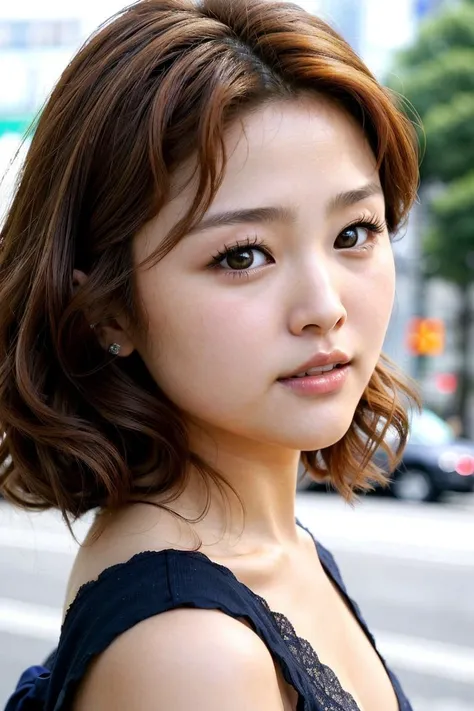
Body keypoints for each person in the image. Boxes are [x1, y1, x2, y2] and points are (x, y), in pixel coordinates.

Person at [0, 1, 420, 709]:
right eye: (243, 254)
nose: (325, 305)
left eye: (354, 233)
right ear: (110, 308)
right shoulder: (193, 650)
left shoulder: (273, 549)